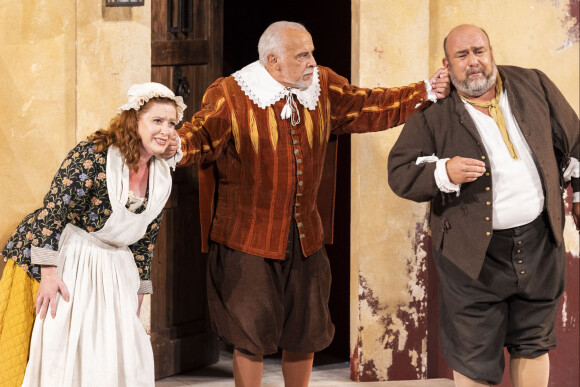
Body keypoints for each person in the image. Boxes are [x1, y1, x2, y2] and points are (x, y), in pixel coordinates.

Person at [167, 20, 450, 386]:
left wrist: (424, 90)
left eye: (312, 52)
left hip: (305, 236)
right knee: (249, 335)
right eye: (302, 56)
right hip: (246, 239)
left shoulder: (323, 86)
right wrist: (175, 143)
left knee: (307, 328)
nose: (312, 62)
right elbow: (202, 134)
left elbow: (367, 106)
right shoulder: (231, 94)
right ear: (273, 61)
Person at [388, 24, 579, 387]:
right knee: (474, 356)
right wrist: (444, 171)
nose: (473, 62)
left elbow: (576, 140)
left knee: (534, 343)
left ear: (491, 52)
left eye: (479, 51)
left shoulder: (533, 85)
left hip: (541, 245)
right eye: (462, 55)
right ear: (447, 64)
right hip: (471, 257)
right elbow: (399, 172)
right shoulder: (434, 110)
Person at [0, 82, 186, 387]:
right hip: (70, 254)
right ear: (134, 121)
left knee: (113, 346)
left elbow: (146, 240)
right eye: (157, 121)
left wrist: (139, 293)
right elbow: (53, 210)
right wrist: (49, 274)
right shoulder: (96, 155)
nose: (166, 130)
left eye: (171, 123)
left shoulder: (161, 175)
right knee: (64, 340)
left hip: (115, 264)